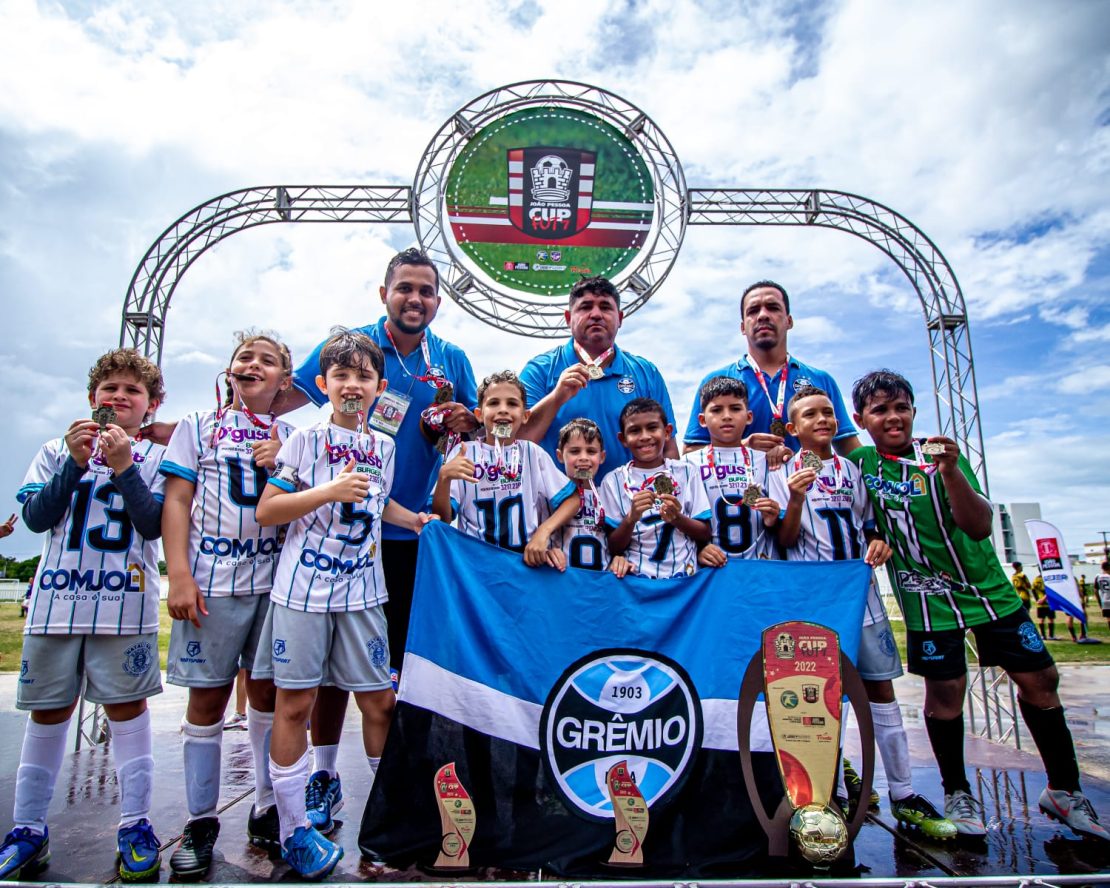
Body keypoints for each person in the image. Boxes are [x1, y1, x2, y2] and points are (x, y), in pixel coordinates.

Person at [850, 369, 1107, 841]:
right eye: (880, 409)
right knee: (945, 694)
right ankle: (957, 792)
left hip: (987, 590)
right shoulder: (863, 461)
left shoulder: (941, 454)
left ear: (913, 410)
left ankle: (1064, 791)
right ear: (860, 418)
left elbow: (979, 526)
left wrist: (950, 472)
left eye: (901, 407)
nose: (893, 417)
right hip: (927, 600)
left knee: (1041, 679)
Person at [282, 248, 478, 834]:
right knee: (327, 677)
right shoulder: (353, 348)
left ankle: (397, 784)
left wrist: (451, 419)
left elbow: (469, 421)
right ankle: (323, 775)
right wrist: (264, 442)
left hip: (414, 531)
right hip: (345, 541)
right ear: (384, 293)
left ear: (437, 301)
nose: (414, 299)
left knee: (384, 669)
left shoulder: (451, 357)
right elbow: (291, 400)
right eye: (404, 288)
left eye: (425, 291)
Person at [254, 329, 434, 879]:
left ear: (379, 387)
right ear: (324, 384)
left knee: (380, 704)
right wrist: (328, 491)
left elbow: (379, 506)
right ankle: (294, 833)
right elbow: (269, 510)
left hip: (362, 594)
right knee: (295, 706)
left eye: (363, 376)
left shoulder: (382, 444)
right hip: (304, 594)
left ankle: (385, 822)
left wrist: (417, 521)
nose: (352, 385)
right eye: (342, 375)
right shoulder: (305, 440)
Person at [0, 349, 167, 881]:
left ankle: (135, 822)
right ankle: (28, 828)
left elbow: (152, 523)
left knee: (126, 709)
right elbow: (35, 517)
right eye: (109, 390)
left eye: (131, 392)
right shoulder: (56, 449)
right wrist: (75, 463)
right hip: (56, 600)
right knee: (48, 712)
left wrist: (123, 468)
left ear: (151, 405)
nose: (118, 398)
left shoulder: (157, 457)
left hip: (124, 602)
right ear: (91, 399)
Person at [768, 386, 954, 838]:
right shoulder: (782, 473)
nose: (822, 420)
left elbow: (869, 527)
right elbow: (785, 542)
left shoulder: (852, 470)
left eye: (827, 412)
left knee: (881, 693)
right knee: (820, 698)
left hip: (861, 596)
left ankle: (904, 794)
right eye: (810, 415)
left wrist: (877, 541)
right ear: (793, 429)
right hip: (813, 599)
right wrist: (794, 500)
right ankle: (826, 795)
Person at [160, 332, 295, 878]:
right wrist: (179, 575)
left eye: (267, 360)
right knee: (208, 700)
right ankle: (200, 819)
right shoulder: (199, 426)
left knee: (265, 693)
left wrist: (282, 465)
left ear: (285, 381)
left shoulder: (293, 435)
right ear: (230, 371)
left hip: (274, 581)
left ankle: (265, 807)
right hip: (213, 583)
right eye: (245, 357)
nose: (253, 365)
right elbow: (176, 500)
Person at [683, 281, 860, 466]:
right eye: (753, 311)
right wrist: (740, 447)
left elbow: (848, 446)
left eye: (773, 307)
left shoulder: (820, 380)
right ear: (743, 327)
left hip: (812, 491)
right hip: (742, 493)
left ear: (789, 321)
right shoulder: (715, 381)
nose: (763, 316)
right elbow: (690, 454)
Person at [519, 275, 678, 480]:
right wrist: (557, 397)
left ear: (620, 318)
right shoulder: (540, 370)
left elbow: (668, 449)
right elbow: (518, 443)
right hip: (559, 505)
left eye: (605, 307)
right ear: (568, 318)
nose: (596, 314)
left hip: (631, 503)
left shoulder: (646, 373)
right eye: (585, 307)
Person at [431, 371, 578, 555]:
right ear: (478, 414)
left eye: (512, 403)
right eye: (493, 403)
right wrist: (444, 477)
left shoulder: (532, 453)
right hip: (475, 567)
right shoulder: (463, 452)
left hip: (522, 564)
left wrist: (544, 531)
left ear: (525, 416)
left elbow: (572, 500)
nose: (503, 409)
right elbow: (442, 519)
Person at [599, 399, 712, 578]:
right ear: (623, 439)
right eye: (635, 431)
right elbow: (612, 546)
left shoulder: (687, 472)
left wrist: (677, 518)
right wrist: (631, 518)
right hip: (637, 580)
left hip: (686, 580)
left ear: (667, 432)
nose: (645, 436)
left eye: (652, 428)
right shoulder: (612, 481)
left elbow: (705, 533)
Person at [684, 376, 778, 565]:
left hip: (762, 566)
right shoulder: (688, 464)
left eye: (735, 408)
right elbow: (681, 521)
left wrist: (774, 518)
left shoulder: (767, 460)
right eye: (717, 410)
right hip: (713, 569)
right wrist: (698, 550)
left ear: (749, 416)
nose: (727, 416)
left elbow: (784, 527)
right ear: (702, 420)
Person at [542, 419, 630, 576]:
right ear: (560, 456)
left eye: (591, 451)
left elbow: (616, 544)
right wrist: (547, 553)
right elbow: (539, 538)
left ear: (602, 457)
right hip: (561, 583)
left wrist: (620, 559)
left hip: (599, 588)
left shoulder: (609, 495)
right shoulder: (549, 495)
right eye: (575, 451)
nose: (583, 458)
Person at [1032, 573, 1056, 640]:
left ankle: (1043, 636)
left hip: (1040, 603)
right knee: (1051, 619)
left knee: (1041, 619)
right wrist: (1043, 599)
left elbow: (1033, 590)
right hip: (1049, 602)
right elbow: (1050, 591)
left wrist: (1037, 600)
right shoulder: (1047, 579)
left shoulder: (1035, 579)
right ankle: (1051, 636)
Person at [1098, 562, 1110, 631]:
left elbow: (1096, 590)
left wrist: (1100, 602)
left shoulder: (1098, 577)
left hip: (1104, 600)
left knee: (1108, 618)